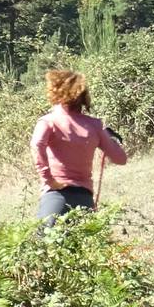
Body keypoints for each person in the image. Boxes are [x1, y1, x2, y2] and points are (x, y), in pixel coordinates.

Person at [31, 69, 128, 224]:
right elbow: (121, 159)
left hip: (56, 197)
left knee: (44, 245)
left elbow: (37, 144)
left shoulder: (49, 121)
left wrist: (48, 179)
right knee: (87, 248)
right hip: (85, 199)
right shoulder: (95, 125)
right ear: (83, 97)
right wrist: (106, 138)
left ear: (56, 93)